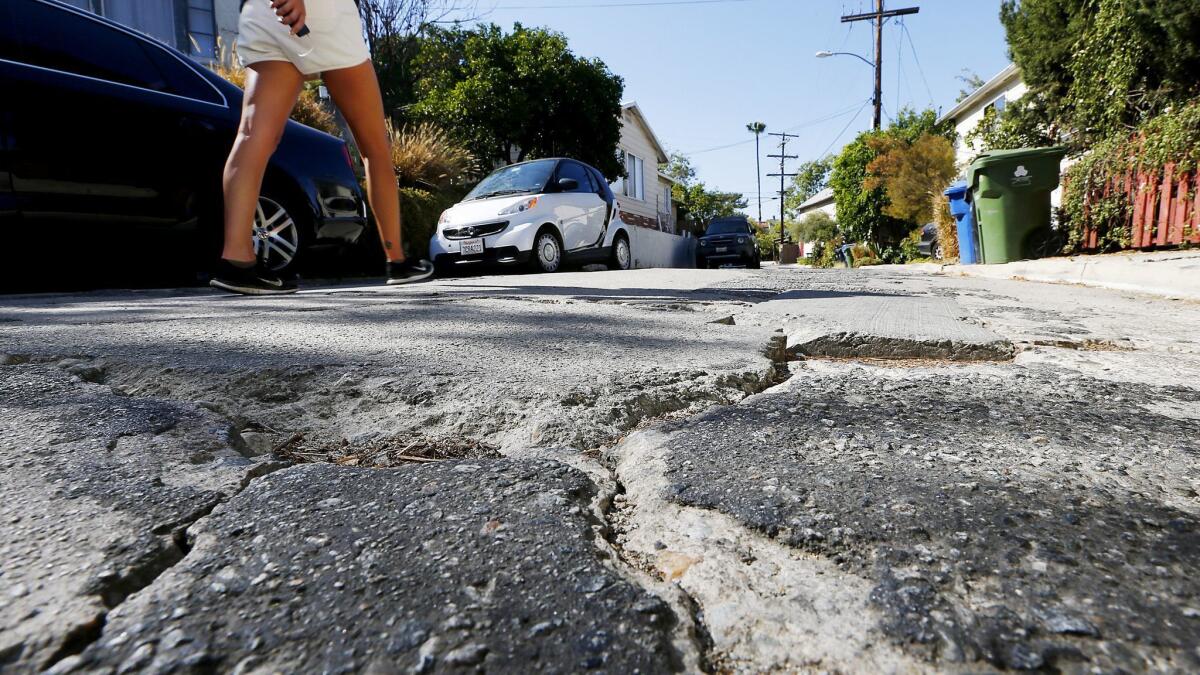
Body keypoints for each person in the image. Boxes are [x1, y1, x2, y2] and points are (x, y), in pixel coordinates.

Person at [210, 0, 433, 295]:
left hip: (264, 10)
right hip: (322, 13)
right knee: (375, 148)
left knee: (253, 135)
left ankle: (237, 260)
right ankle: (397, 261)